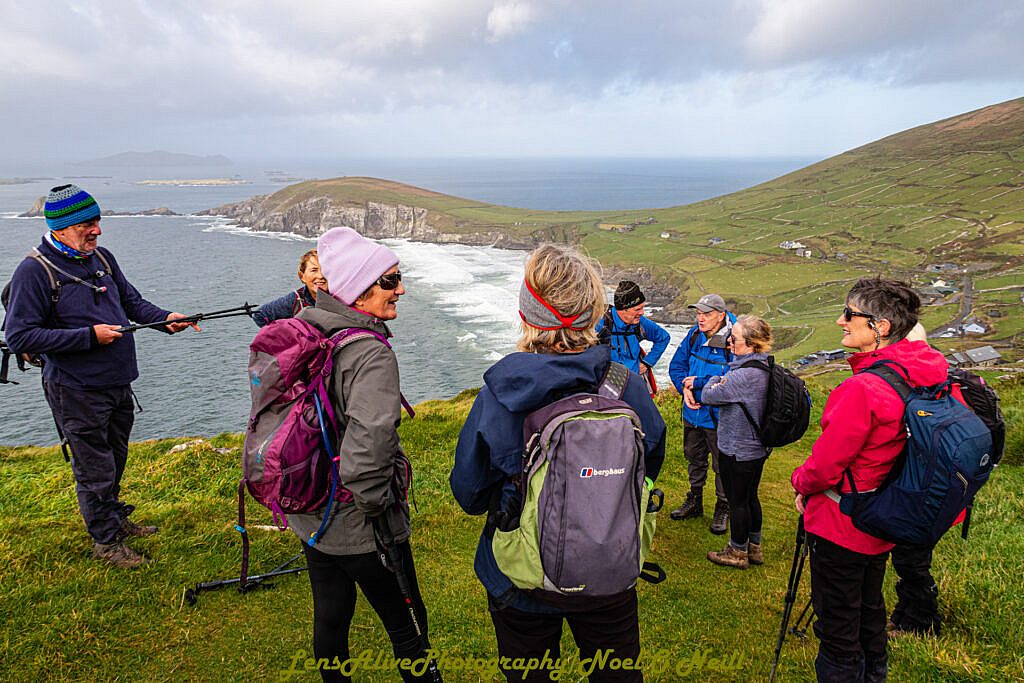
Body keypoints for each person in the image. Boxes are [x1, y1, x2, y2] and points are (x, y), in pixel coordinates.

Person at [450, 244, 666, 683]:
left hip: (523, 580)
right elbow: (651, 461)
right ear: (594, 315)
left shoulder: (502, 395)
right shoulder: (624, 385)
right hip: (609, 566)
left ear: (527, 315)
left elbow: (469, 493)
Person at [3, 184, 198, 568]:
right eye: (86, 225)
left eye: (97, 221)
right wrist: (88, 337)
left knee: (116, 457)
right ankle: (106, 543)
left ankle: (113, 520)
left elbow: (131, 302)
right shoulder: (34, 271)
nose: (96, 231)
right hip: (74, 389)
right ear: (59, 228)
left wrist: (165, 320)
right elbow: (19, 336)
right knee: (94, 468)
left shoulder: (102, 258)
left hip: (117, 381)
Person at [286, 226, 437, 683]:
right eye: (390, 281)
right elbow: (370, 443)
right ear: (358, 289)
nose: (401, 289)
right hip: (361, 521)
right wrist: (375, 507)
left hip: (313, 509)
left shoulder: (310, 327)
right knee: (408, 628)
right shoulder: (369, 353)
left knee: (330, 616)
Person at [791, 278, 947, 682]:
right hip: (888, 514)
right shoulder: (926, 371)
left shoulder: (863, 389)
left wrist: (799, 481)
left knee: (839, 624)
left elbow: (824, 468)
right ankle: (875, 673)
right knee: (870, 607)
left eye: (849, 314)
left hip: (844, 521)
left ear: (879, 327)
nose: (840, 321)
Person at [688, 315, 773, 570]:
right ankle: (754, 547)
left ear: (749, 343)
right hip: (757, 447)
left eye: (733, 338)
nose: (728, 343)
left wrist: (716, 379)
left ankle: (737, 551)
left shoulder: (743, 376)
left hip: (737, 447)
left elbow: (709, 394)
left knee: (737, 501)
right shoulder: (765, 366)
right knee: (750, 497)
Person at [667, 293, 736, 534]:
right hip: (692, 414)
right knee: (694, 458)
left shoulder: (734, 340)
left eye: (706, 314)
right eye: (698, 313)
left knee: (722, 465)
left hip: (719, 418)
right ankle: (695, 500)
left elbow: (733, 379)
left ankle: (723, 506)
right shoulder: (694, 335)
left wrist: (697, 385)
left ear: (722, 315)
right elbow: (676, 366)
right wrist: (684, 389)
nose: (700, 318)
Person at [595, 280, 671, 394]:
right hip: (606, 386)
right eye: (637, 309)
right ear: (623, 309)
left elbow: (663, 338)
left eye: (642, 308)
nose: (642, 313)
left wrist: (647, 363)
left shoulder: (640, 323)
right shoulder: (600, 324)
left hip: (633, 382)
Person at [250, 249, 327, 327]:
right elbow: (260, 315)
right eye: (314, 270)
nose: (320, 276)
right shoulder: (295, 300)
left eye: (325, 270)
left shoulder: (339, 297)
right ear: (302, 276)